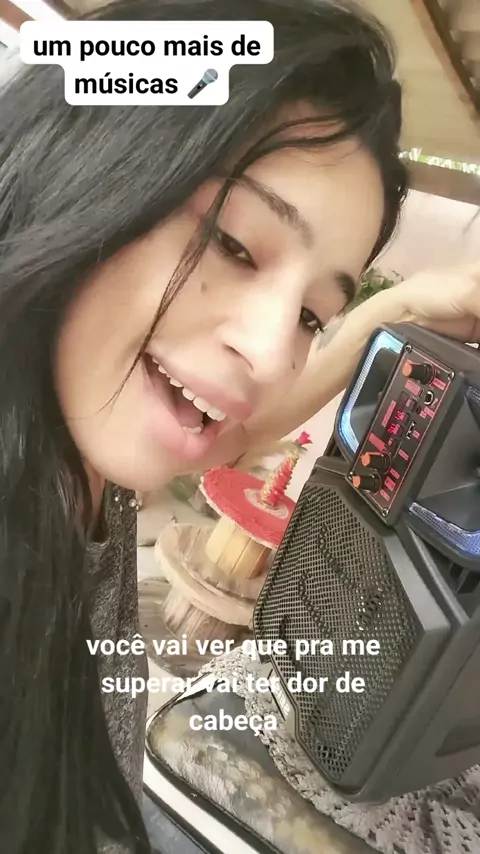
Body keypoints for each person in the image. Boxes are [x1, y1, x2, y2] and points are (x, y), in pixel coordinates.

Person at [1, 0, 480, 852]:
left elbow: (227, 424)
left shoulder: (85, 465)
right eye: (233, 244)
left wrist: (399, 310)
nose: (267, 352)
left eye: (310, 315)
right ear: (80, 167)